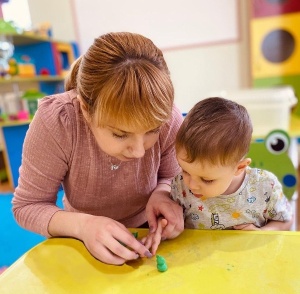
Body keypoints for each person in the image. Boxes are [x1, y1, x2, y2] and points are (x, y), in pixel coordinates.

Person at [12, 32, 184, 265]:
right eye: (120, 134)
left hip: (149, 233)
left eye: (152, 131)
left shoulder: (168, 117)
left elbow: (172, 176)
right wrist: (84, 226)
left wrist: (163, 194)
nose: (139, 152)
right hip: (78, 237)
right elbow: (28, 205)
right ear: (85, 108)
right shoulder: (58, 121)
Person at [170, 97, 294, 231]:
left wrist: (261, 233)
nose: (191, 185)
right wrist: (168, 225)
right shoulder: (180, 186)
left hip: (250, 251)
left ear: (239, 168)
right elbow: (170, 222)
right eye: (185, 170)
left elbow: (285, 220)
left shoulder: (265, 186)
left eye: (207, 180)